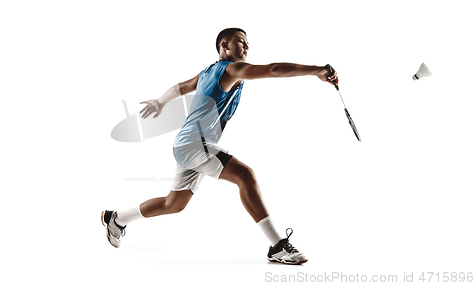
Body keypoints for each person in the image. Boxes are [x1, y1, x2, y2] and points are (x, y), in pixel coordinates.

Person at [102, 28, 338, 264]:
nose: (246, 47)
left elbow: (181, 87)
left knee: (172, 204)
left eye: (248, 43)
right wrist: (318, 70)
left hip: (187, 144)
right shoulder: (231, 68)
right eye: (241, 42)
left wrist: (160, 102)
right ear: (224, 45)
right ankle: (277, 246)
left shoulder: (207, 72)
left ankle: (117, 218)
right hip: (196, 143)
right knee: (245, 176)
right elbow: (272, 69)